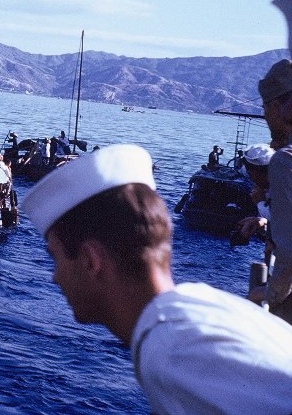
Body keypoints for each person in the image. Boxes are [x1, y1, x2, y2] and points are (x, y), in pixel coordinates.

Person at [21, 144, 292, 414]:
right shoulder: (200, 306)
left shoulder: (171, 349)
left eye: (56, 258)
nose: (55, 277)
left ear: (91, 260)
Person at [257, 58, 292, 323]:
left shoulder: (284, 162)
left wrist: (267, 296)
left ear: (282, 106)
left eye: (266, 106)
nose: (265, 115)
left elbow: (289, 254)